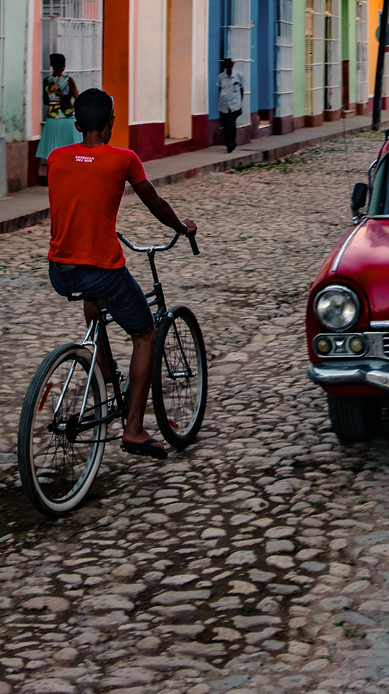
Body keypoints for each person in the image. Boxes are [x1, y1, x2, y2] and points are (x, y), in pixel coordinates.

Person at [46, 88, 197, 460]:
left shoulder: (56, 158)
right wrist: (182, 228)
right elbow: (157, 205)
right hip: (100, 269)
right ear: (111, 124)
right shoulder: (123, 159)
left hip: (59, 271)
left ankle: (104, 376)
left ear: (77, 125)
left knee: (92, 298)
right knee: (145, 333)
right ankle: (134, 429)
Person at [36, 54, 80, 162]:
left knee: (53, 151)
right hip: (68, 118)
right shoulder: (69, 80)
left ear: (51, 65)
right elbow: (77, 98)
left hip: (52, 118)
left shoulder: (47, 81)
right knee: (71, 151)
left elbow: (45, 101)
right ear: (64, 66)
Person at [217, 57, 243, 153]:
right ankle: (229, 143)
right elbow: (219, 89)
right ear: (225, 67)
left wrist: (241, 105)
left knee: (231, 124)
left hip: (235, 105)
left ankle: (232, 142)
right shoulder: (221, 77)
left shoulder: (238, 75)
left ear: (232, 66)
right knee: (225, 126)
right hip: (223, 105)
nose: (228, 68)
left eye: (230, 66)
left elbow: (241, 90)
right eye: (226, 66)